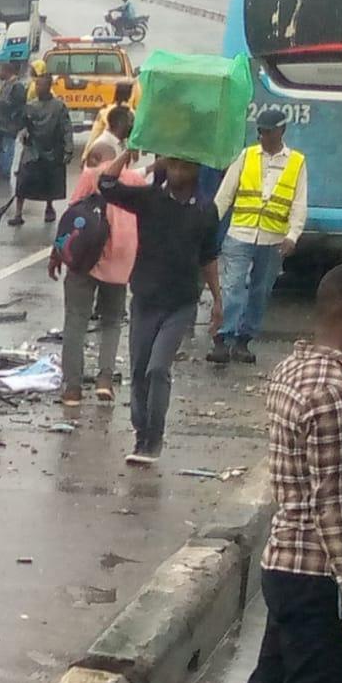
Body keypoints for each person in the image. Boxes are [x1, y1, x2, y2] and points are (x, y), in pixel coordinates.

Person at [247, 262, 342, 683]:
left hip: (284, 566)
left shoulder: (295, 369)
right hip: (319, 579)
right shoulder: (337, 394)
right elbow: (335, 507)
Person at [98, 149, 223, 464]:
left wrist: (218, 300)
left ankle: (154, 439)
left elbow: (208, 257)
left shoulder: (206, 211)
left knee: (157, 369)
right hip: (145, 299)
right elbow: (107, 184)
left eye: (187, 165)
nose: (180, 171)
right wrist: (129, 153)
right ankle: (141, 433)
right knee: (139, 368)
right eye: (175, 164)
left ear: (196, 171)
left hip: (180, 303)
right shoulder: (149, 200)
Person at [50, 115, 142, 406]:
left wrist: (57, 252)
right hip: (121, 261)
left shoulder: (92, 176)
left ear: (99, 158)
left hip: (87, 257)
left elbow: (71, 217)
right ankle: (105, 380)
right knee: (112, 321)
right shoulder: (136, 180)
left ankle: (73, 388)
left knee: (76, 320)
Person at [208, 110, 308, 364]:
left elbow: (299, 203)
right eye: (260, 131)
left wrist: (292, 236)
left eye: (268, 131)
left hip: (273, 238)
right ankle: (223, 337)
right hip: (240, 233)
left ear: (281, 131)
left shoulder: (296, 162)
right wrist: (208, 224)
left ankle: (244, 339)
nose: (263, 136)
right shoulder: (247, 156)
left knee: (260, 291)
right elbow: (225, 194)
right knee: (233, 287)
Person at [9, 73, 73, 226]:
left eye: (41, 85)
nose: (38, 88)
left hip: (51, 148)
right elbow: (21, 124)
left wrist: (68, 149)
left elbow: (66, 128)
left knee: (49, 181)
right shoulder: (30, 105)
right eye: (37, 85)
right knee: (23, 181)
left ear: (49, 86)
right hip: (33, 149)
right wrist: (23, 131)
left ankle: (49, 207)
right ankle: (18, 213)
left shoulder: (58, 106)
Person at [0, 62, 26, 181]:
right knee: (1, 147)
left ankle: (5, 172)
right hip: (1, 123)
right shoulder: (7, 84)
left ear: (7, 71)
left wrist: (14, 122)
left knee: (7, 148)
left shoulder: (17, 86)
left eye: (0, 71)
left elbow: (18, 105)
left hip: (9, 124)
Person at [88, 81, 135, 146]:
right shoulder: (132, 113)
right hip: (121, 149)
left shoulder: (104, 111)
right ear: (130, 95)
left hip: (104, 147)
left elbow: (94, 135)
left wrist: (86, 154)